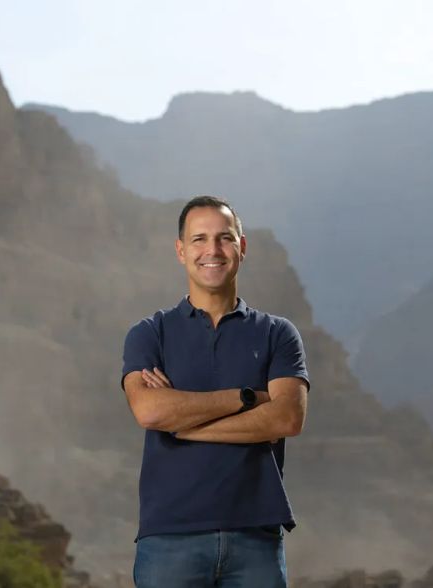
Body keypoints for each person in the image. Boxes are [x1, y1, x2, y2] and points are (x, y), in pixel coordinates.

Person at [121, 195, 310, 587]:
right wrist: (247, 398)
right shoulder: (149, 334)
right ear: (180, 250)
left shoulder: (277, 333)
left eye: (224, 238)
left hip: (255, 535)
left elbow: (287, 417)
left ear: (241, 247)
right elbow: (151, 412)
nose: (212, 250)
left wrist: (186, 425)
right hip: (170, 539)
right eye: (199, 239)